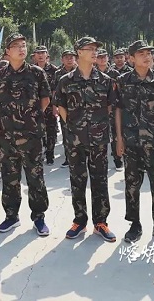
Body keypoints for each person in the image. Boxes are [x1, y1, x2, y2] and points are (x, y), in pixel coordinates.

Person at [55, 37, 117, 242]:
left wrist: (98, 126)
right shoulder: (66, 80)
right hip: (75, 140)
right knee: (77, 180)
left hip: (99, 139)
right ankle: (79, 221)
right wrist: (73, 126)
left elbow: (109, 107)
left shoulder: (105, 80)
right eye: (89, 49)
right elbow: (61, 106)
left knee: (100, 180)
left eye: (95, 49)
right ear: (79, 52)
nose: (94, 52)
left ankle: (101, 222)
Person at [115, 40, 154, 246]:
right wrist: (119, 138)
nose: (147, 57)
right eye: (141, 54)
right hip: (132, 143)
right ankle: (135, 225)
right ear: (131, 58)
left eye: (149, 53)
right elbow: (118, 110)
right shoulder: (122, 81)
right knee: (132, 186)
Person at [0, 33, 51, 236]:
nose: (21, 48)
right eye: (16, 46)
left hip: (31, 136)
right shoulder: (0, 75)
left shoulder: (36, 73)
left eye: (24, 45)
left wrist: (31, 119)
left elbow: (45, 99)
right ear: (7, 51)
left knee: (35, 178)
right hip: (7, 137)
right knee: (9, 178)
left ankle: (39, 217)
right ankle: (11, 216)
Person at [96, 49, 123, 171]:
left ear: (108, 58)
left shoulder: (115, 73)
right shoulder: (93, 73)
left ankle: (118, 159)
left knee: (115, 135)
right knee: (99, 136)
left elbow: (119, 92)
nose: (102, 59)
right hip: (98, 109)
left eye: (104, 57)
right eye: (99, 57)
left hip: (113, 108)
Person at [34, 45, 59, 165]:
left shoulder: (54, 70)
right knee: (38, 130)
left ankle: (50, 154)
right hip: (35, 105)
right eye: (38, 53)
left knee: (51, 130)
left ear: (47, 55)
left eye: (42, 53)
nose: (40, 55)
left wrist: (55, 106)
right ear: (34, 56)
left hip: (50, 106)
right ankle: (42, 151)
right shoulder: (32, 70)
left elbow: (56, 90)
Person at [53, 49, 77, 168]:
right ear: (62, 60)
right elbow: (55, 91)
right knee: (66, 133)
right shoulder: (58, 73)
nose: (69, 59)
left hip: (79, 109)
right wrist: (54, 107)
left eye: (71, 57)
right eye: (67, 57)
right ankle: (68, 157)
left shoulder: (80, 71)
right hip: (64, 107)